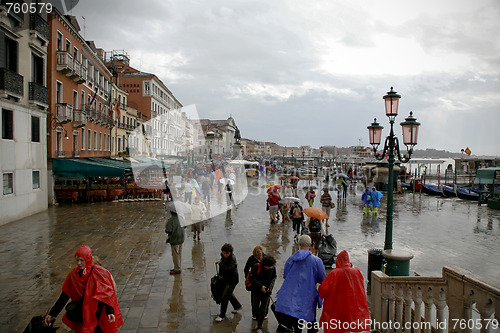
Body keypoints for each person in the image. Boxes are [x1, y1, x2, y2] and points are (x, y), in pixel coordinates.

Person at [43, 245, 123, 332]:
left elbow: (106, 293)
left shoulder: (99, 272)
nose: (79, 263)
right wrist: (53, 313)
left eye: (82, 260)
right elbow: (65, 295)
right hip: (84, 313)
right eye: (77, 260)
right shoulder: (73, 274)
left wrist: (109, 311)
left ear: (88, 260)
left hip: (97, 312)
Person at [275, 235, 326, 333]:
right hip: (309, 296)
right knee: (311, 321)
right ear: (310, 245)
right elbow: (323, 279)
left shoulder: (291, 259)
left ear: (299, 244)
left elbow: (286, 275)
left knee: (297, 322)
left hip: (293, 295)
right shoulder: (316, 261)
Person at [318, 250, 370, 333]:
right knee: (347, 326)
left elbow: (323, 290)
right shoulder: (356, 272)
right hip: (351, 307)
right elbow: (360, 289)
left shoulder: (334, 273)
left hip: (336, 308)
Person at [248, 255, 277, 333]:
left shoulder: (272, 268)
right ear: (265, 265)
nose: (270, 268)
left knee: (263, 309)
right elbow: (251, 278)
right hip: (256, 290)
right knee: (255, 307)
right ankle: (257, 319)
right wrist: (261, 286)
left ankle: (259, 325)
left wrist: (270, 287)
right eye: (268, 267)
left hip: (266, 292)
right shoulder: (257, 266)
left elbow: (274, 277)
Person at [215, 243, 242, 322]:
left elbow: (228, 269)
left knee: (225, 296)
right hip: (225, 279)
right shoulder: (223, 256)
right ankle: (237, 306)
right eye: (224, 253)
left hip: (232, 280)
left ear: (230, 253)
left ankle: (222, 315)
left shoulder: (232, 259)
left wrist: (221, 264)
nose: (225, 255)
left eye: (227, 253)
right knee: (229, 293)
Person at [165, 206, 186, 274]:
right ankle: (178, 266)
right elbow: (185, 225)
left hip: (175, 238)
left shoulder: (171, 220)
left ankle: (177, 268)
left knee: (175, 254)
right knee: (179, 252)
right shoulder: (181, 218)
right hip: (181, 237)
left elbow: (168, 230)